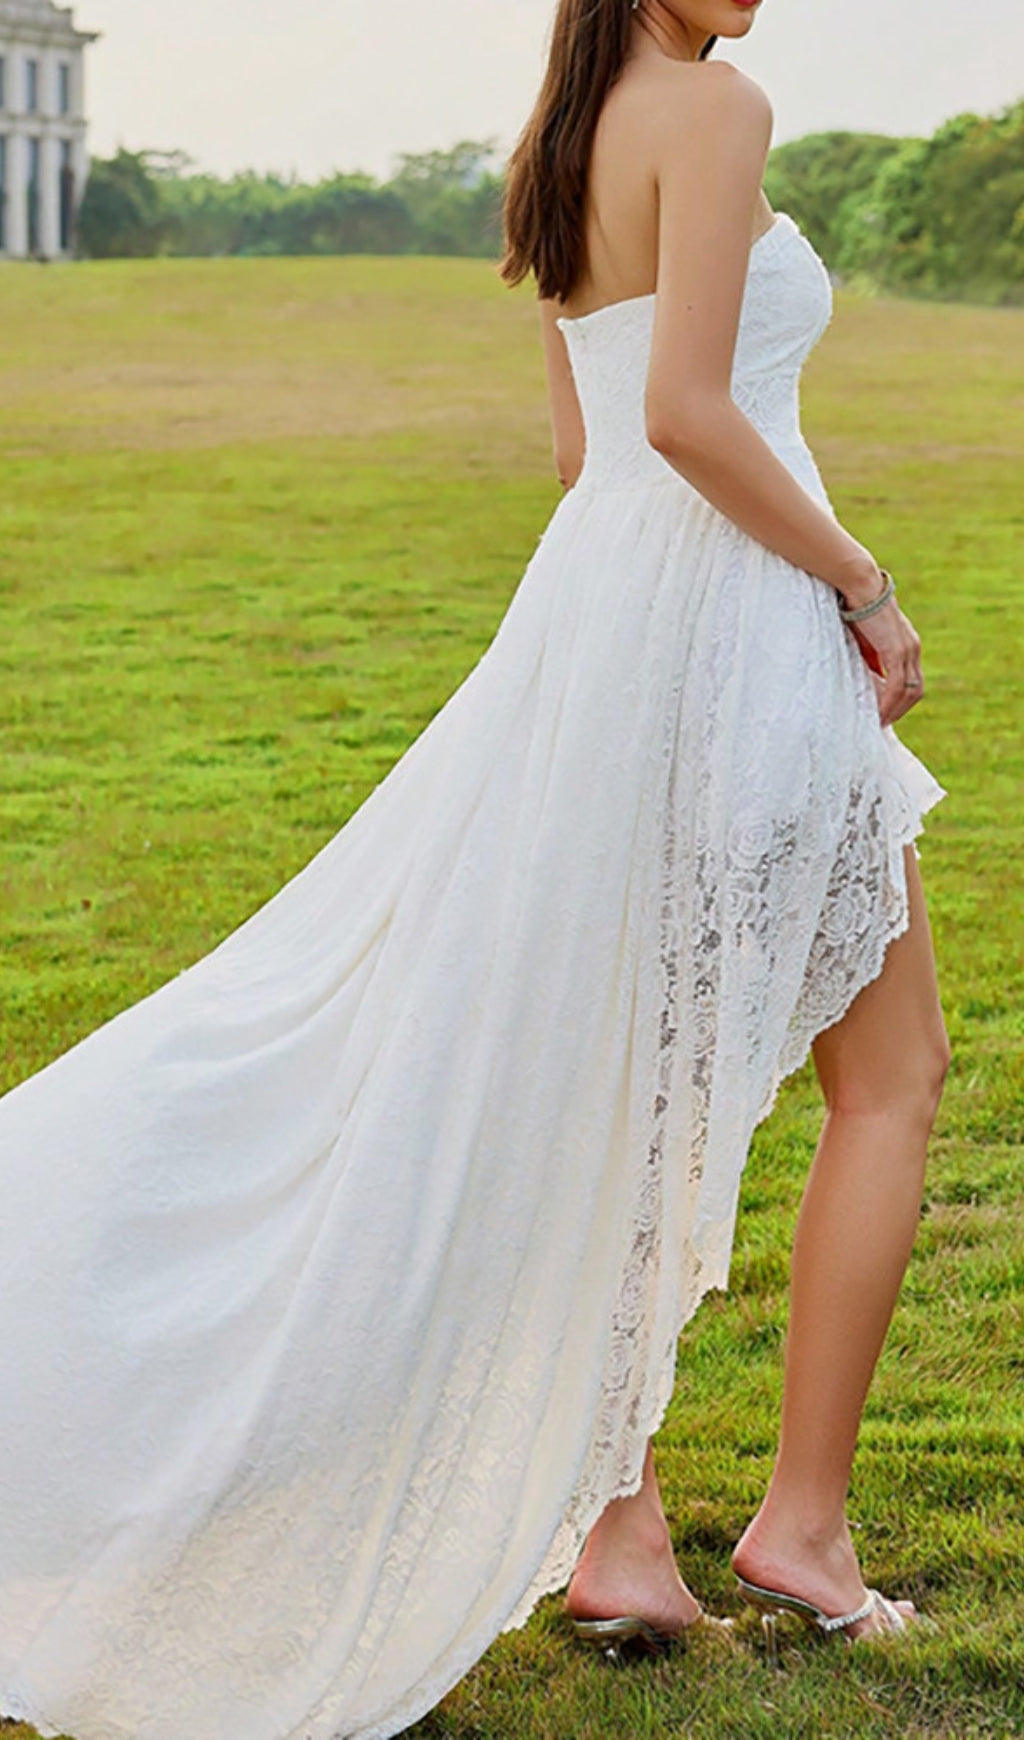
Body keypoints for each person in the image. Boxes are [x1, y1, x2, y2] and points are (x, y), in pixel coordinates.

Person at [0, 2, 948, 1738]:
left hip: (605, 628)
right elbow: (684, 415)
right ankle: (801, 1530)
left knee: (618, 1087)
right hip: (731, 629)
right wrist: (861, 584)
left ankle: (625, 1536)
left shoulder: (560, 140)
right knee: (892, 1077)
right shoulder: (717, 108)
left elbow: (587, 458)